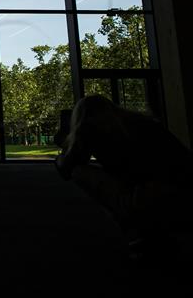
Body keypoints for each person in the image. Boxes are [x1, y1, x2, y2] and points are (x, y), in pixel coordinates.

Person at [55, 95, 193, 262]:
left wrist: (65, 148)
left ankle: (141, 230)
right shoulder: (142, 123)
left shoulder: (89, 127)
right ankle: (153, 234)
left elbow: (67, 167)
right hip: (184, 193)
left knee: (79, 172)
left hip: (154, 197)